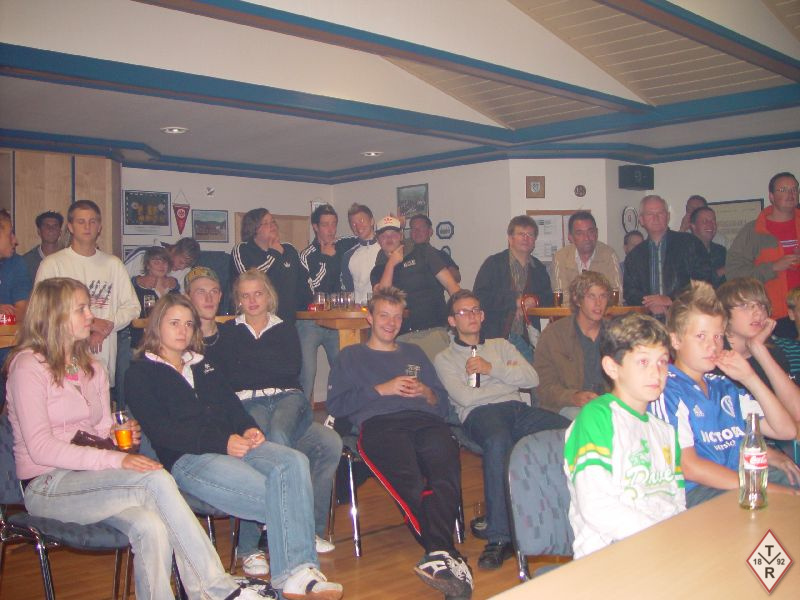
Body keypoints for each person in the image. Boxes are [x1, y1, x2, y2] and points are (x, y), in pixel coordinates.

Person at [6, 277, 271, 600]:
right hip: (48, 485)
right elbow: (40, 447)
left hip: (93, 478)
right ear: (54, 315)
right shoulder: (28, 366)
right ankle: (215, 588)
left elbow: (100, 429)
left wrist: (118, 435)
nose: (91, 316)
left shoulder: (92, 367)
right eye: (81, 309)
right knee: (155, 480)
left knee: (151, 526)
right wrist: (118, 459)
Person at [125, 294, 344, 600]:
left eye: (188, 324)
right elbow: (164, 432)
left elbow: (230, 404)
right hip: (189, 458)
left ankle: (297, 573)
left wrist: (248, 428)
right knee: (279, 493)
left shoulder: (201, 364)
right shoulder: (140, 373)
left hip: (233, 443)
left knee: (294, 462)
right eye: (174, 323)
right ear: (156, 326)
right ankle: (294, 576)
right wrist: (223, 442)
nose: (183, 330)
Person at [327, 286, 473, 599]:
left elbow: (442, 404)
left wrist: (426, 392)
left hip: (426, 422)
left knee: (445, 473)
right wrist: (382, 389)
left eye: (396, 317)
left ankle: (440, 557)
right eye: (384, 316)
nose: (391, 323)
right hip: (380, 426)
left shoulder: (414, 353)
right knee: (411, 481)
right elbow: (337, 406)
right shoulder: (351, 357)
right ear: (369, 318)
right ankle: (445, 552)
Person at [202, 268, 341, 571]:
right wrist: (260, 368)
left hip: (288, 398)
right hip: (246, 403)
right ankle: (253, 545)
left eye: (258, 294)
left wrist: (250, 367)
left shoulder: (285, 328)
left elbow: (289, 370)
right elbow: (229, 377)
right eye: (245, 295)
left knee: (283, 432)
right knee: (265, 443)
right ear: (237, 301)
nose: (252, 300)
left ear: (269, 296)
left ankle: (305, 530)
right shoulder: (228, 332)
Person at [434, 290, 568, 570]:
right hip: (479, 415)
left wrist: (492, 369)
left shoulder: (501, 346)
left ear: (483, 315)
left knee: (567, 429)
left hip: (516, 409)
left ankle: (566, 514)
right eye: (463, 312)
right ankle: (499, 537)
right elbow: (465, 397)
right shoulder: (445, 358)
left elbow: (531, 378)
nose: (471, 316)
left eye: (475, 310)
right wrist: (506, 382)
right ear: (452, 321)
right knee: (498, 441)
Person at [649, 281, 799, 506]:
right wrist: (758, 487)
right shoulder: (666, 389)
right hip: (698, 492)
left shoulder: (723, 386)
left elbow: (785, 430)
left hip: (738, 482)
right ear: (676, 340)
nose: (712, 345)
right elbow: (689, 467)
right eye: (701, 336)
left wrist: (749, 378)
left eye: (718, 336)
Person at [564, 312, 685, 559]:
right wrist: (662, 537)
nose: (656, 373)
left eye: (662, 362)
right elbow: (596, 506)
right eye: (643, 361)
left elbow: (677, 502)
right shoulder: (597, 418)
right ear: (612, 367)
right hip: (610, 554)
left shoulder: (665, 431)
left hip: (662, 549)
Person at [36, 200, 140, 387]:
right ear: (70, 227)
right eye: (81, 222)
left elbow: (132, 307)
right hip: (62, 361)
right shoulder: (52, 264)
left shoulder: (113, 264)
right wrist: (91, 324)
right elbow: (41, 311)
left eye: (92, 222)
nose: (87, 227)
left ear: (99, 227)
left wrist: (106, 327)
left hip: (102, 357)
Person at [371, 214, 460, 361]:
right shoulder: (378, 270)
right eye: (384, 235)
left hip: (433, 332)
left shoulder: (423, 252)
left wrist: (462, 319)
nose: (389, 238)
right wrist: (391, 264)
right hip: (400, 337)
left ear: (401, 235)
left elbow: (452, 286)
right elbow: (382, 300)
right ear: (378, 239)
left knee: (437, 375)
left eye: (393, 234)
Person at [716, 278, 800, 423]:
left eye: (761, 305)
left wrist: (759, 350)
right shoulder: (716, 357)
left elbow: (797, 411)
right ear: (725, 314)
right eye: (745, 305)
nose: (758, 313)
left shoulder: (771, 350)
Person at [298, 203, 357, 401]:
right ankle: (302, 416)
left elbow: (367, 237)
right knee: (307, 374)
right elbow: (314, 290)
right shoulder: (306, 255)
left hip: (337, 319)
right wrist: (327, 259)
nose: (331, 230)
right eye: (325, 225)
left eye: (334, 224)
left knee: (344, 371)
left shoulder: (344, 244)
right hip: (310, 322)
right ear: (315, 227)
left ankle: (344, 415)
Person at [474, 215, 553, 363]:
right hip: (495, 339)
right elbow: (479, 299)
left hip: (527, 340)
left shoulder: (539, 269)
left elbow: (549, 299)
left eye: (530, 235)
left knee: (533, 375)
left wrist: (534, 301)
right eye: (521, 234)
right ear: (510, 238)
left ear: (534, 241)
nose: (526, 238)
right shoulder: (493, 264)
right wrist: (515, 302)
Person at [534, 271, 612, 419]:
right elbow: (543, 386)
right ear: (577, 300)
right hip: (569, 406)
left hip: (608, 404)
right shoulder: (554, 335)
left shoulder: (616, 334)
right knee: (590, 420)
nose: (598, 303)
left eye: (603, 296)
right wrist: (573, 397)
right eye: (591, 296)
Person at [727, 172, 800, 319]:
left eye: (794, 189)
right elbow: (733, 274)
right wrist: (773, 267)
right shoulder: (753, 231)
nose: (791, 194)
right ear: (771, 196)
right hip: (772, 317)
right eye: (783, 190)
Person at [623, 195, 711, 315]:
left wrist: (671, 300)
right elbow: (630, 292)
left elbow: (704, 281)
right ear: (641, 220)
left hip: (685, 316)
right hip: (648, 319)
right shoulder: (634, 256)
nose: (656, 218)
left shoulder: (690, 244)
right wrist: (650, 304)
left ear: (668, 216)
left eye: (660, 213)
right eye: (650, 214)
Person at [230, 208, 311, 325]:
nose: (272, 225)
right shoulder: (242, 250)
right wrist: (274, 254)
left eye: (273, 221)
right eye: (266, 223)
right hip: (254, 322)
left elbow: (305, 283)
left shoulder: (289, 250)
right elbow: (250, 278)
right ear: (254, 229)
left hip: (290, 322)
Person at [551, 211, 622, 304]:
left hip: (602, 312)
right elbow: (562, 298)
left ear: (596, 233)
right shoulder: (560, 258)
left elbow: (617, 296)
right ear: (570, 237)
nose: (586, 238)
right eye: (580, 233)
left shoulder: (609, 255)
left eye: (590, 232)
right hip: (570, 312)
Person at [130, 246, 181, 348]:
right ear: (148, 265)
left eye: (164, 262)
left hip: (170, 342)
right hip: (143, 342)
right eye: (156, 262)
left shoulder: (173, 288)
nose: (161, 266)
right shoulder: (138, 287)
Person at [124, 237, 201, 293]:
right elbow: (119, 281)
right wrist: (137, 281)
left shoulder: (186, 271)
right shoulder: (142, 254)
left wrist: (175, 286)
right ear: (174, 250)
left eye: (187, 265)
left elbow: (183, 298)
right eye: (181, 262)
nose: (182, 267)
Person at [341, 203, 381, 304]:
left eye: (361, 221)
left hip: (382, 309)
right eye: (353, 224)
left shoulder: (385, 249)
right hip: (357, 310)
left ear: (372, 221)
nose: (358, 226)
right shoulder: (348, 256)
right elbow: (348, 291)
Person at [408, 214, 461, 283]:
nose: (417, 231)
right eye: (413, 228)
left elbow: (457, 277)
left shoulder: (440, 255)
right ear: (410, 233)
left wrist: (436, 269)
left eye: (422, 227)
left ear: (430, 231)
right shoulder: (404, 256)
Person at [690, 206, 726, 288]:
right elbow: (692, 284)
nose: (710, 225)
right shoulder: (685, 251)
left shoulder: (721, 251)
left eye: (713, 221)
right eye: (705, 221)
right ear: (693, 226)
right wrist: (719, 272)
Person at [22, 210, 63, 281]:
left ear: (60, 231)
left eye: (55, 226)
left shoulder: (68, 257)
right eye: (47, 226)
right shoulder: (27, 261)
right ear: (39, 231)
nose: (51, 229)